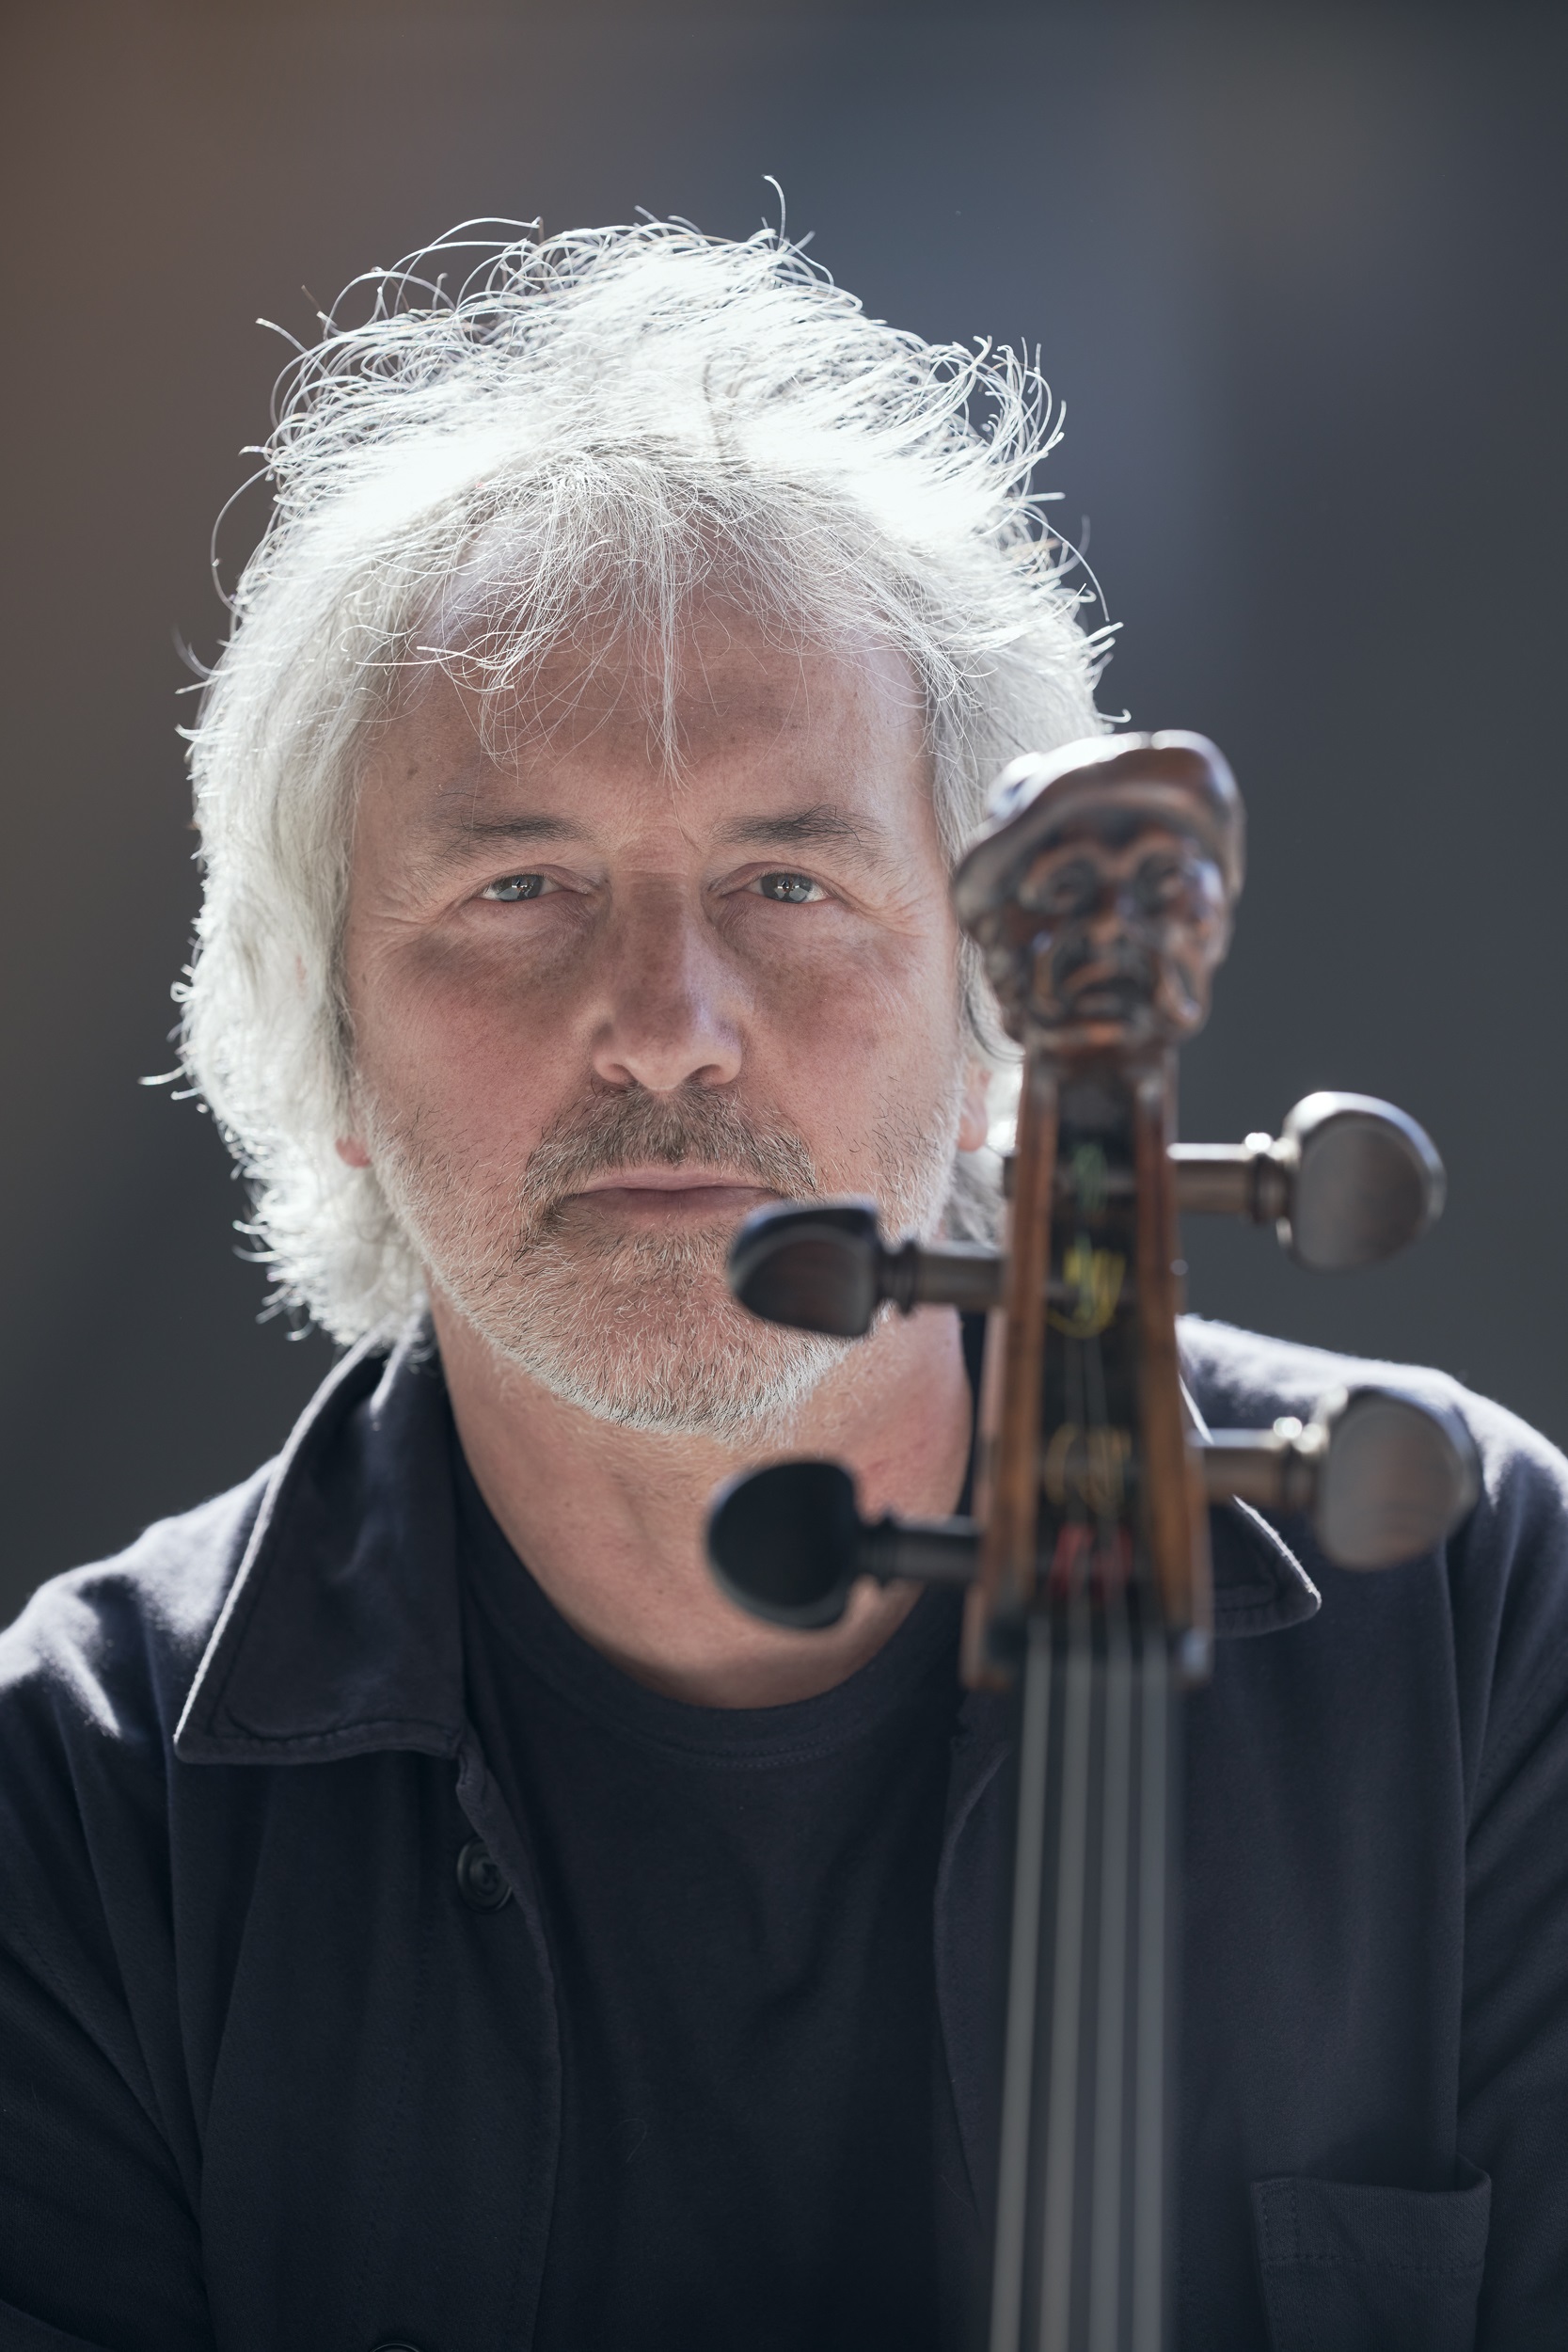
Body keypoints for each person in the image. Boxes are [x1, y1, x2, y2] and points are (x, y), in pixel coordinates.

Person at [1, 219, 1565, 2352]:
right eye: (520, 884)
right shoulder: (78, 1804)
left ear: (995, 1011)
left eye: (789, 879)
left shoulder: (1479, 1618)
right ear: (329, 1036)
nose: (667, 1025)